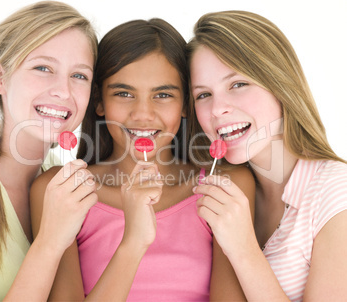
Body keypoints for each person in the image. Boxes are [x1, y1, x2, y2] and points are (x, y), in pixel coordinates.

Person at [31, 18, 255, 301]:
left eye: (162, 95)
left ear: (186, 104)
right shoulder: (59, 189)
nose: (143, 114)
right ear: (99, 101)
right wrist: (134, 241)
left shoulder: (225, 185)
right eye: (124, 93)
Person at [188, 10, 347, 302]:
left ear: (280, 83)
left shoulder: (336, 194)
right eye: (203, 94)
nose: (217, 109)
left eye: (237, 84)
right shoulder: (219, 190)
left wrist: (243, 248)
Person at [0, 1, 98, 301]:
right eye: (43, 68)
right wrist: (51, 241)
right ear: (0, 77)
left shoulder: (64, 178)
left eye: (79, 75)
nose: (64, 91)